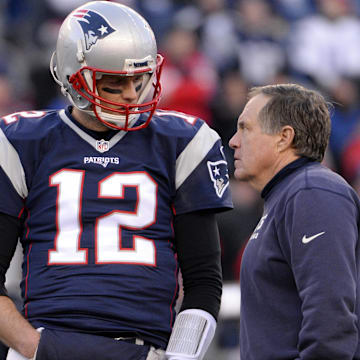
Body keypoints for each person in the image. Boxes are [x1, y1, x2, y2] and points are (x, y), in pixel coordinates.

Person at [0, 2, 233, 360]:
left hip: (144, 348)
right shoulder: (21, 141)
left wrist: (181, 357)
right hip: (46, 341)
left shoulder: (182, 141)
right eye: (115, 83)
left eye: (139, 80)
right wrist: (34, 346)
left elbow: (204, 280)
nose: (130, 94)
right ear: (72, 76)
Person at [229, 83, 360, 359]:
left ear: (283, 137)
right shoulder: (287, 195)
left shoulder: (312, 191)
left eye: (245, 128)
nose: (233, 141)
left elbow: (330, 313)